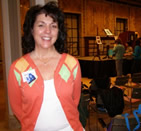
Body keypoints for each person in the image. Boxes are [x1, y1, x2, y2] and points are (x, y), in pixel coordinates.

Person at [8, 2, 84, 131]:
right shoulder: (18, 68)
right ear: (32, 29)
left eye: (53, 26)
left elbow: (74, 100)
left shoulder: (72, 64)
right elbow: (16, 107)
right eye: (41, 25)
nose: (47, 31)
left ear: (58, 31)